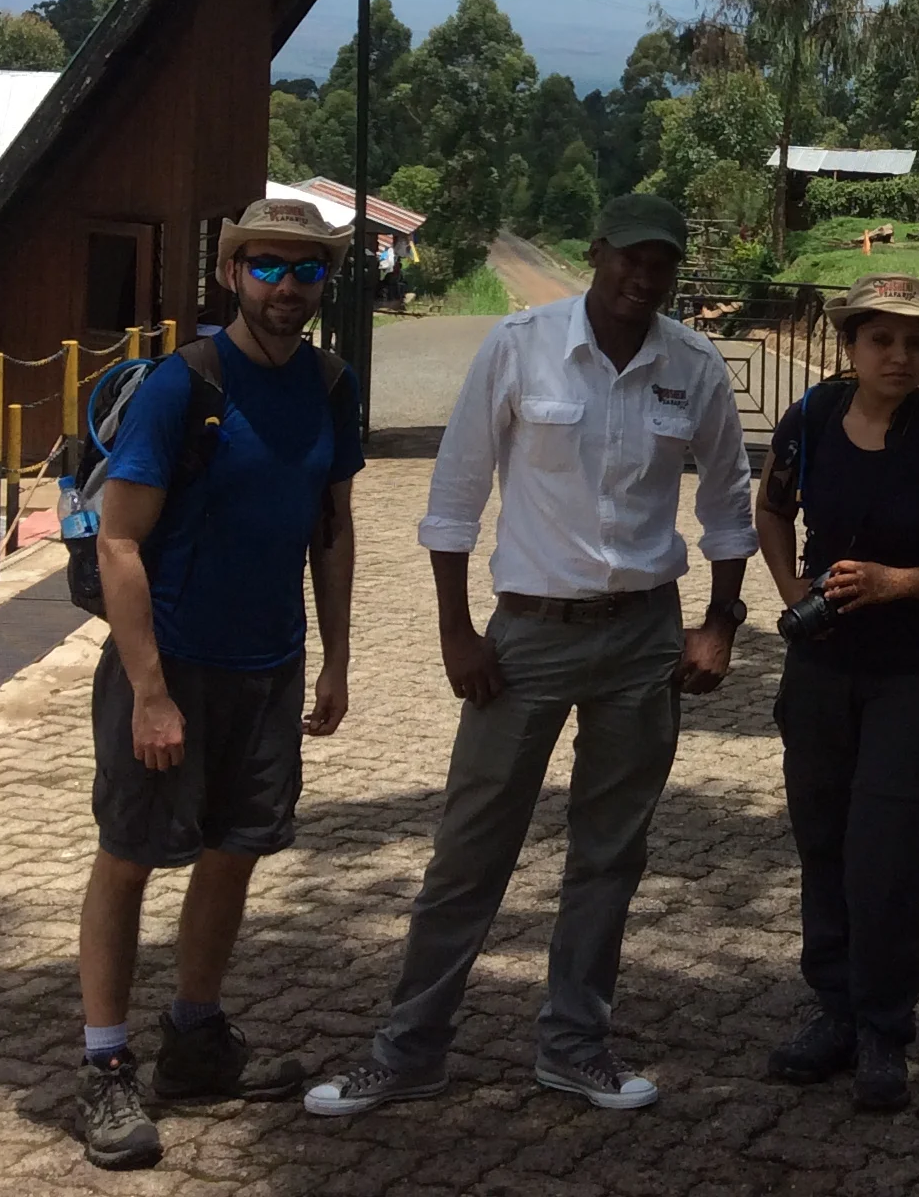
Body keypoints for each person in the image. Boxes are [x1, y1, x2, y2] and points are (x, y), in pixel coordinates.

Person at [304, 192, 756, 1120]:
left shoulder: (694, 365)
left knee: (609, 853)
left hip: (644, 641)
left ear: (674, 271)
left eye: (660, 263)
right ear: (597, 253)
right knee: (470, 851)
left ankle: (574, 1046)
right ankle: (409, 1050)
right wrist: (455, 632)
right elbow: (456, 493)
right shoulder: (521, 345)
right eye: (629, 257)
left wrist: (719, 625)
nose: (644, 276)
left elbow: (728, 505)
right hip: (527, 640)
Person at [74, 196, 363, 1173]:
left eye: (308, 270)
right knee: (129, 853)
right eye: (269, 267)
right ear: (234, 273)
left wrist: (337, 655)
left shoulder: (329, 382)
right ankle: (105, 1065)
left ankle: (195, 1041)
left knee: (235, 848)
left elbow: (331, 525)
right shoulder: (182, 384)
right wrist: (150, 691)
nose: (288, 287)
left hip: (269, 665)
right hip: (174, 662)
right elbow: (117, 539)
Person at [755, 274, 919, 1113]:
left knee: (886, 855)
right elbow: (770, 507)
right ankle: (832, 1008)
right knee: (823, 842)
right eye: (881, 340)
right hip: (823, 672)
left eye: (916, 342)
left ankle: (883, 1026)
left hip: (915, 675)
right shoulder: (810, 420)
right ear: (851, 346)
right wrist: (796, 587)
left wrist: (900, 582)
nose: (899, 356)